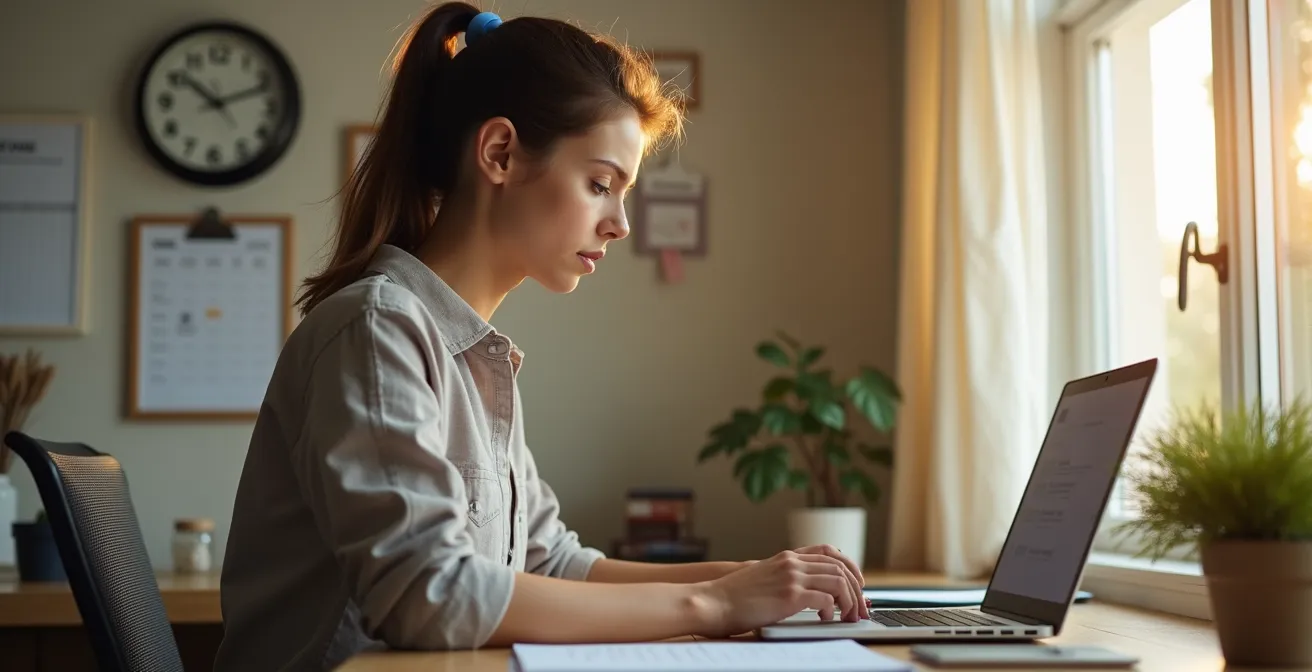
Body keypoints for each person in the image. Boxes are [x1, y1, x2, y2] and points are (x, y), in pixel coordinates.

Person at [213, 3, 870, 669]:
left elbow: (549, 562)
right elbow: (429, 595)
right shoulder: (377, 329)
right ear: (499, 154)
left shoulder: (474, 354)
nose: (621, 224)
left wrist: (745, 580)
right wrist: (715, 605)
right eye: (600, 184)